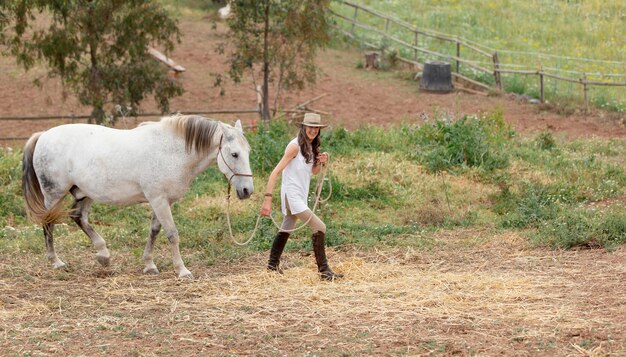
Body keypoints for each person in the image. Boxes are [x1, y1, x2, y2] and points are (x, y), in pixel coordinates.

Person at [260, 113, 343, 281]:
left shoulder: (311, 146)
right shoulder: (294, 146)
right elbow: (275, 172)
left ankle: (272, 265)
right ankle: (324, 271)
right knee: (320, 227)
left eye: (316, 128)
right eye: (310, 127)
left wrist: (321, 161)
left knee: (287, 227)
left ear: (318, 130)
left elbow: (313, 172)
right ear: (304, 127)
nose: (313, 130)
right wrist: (267, 199)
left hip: (299, 194)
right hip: (292, 195)